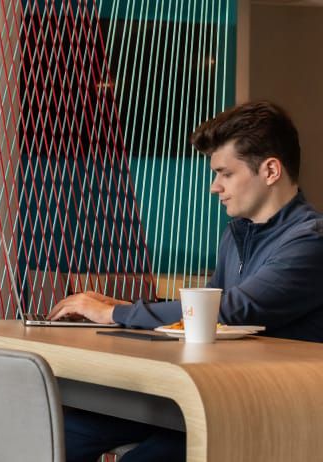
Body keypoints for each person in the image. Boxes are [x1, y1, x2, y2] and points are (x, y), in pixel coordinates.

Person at [49, 101, 323, 461]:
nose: (215, 187)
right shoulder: (236, 234)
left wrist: (117, 313)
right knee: (67, 433)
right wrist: (116, 307)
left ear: (270, 170)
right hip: (214, 391)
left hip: (263, 410)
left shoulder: (311, 240)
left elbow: (230, 310)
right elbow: (205, 307)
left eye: (225, 173)